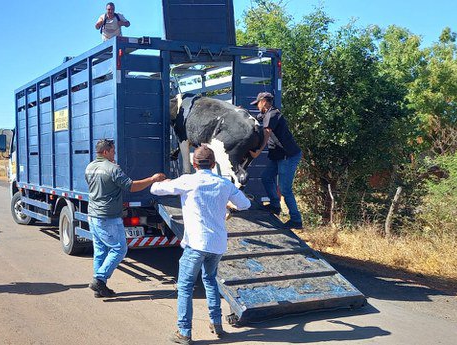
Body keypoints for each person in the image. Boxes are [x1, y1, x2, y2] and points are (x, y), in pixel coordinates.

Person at [150, 145, 251, 344]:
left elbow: (155, 189)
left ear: (194, 164)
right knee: (210, 281)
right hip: (217, 245)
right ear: (214, 164)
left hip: (196, 244)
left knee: (186, 286)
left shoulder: (188, 181)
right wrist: (228, 204)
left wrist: (163, 180)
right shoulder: (224, 183)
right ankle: (216, 324)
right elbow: (245, 204)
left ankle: (184, 332)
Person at [85, 139, 165, 298]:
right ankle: (99, 279)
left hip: (93, 214)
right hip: (108, 217)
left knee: (101, 251)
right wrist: (153, 179)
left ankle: (100, 287)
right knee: (119, 249)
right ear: (106, 151)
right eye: (113, 151)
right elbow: (132, 186)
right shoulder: (113, 169)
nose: (114, 153)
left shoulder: (90, 167)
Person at [250, 92, 304, 229]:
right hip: (279, 156)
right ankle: (275, 206)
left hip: (288, 156)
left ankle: (296, 220)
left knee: (285, 189)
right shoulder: (266, 113)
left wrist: (258, 152)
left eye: (257, 104)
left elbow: (267, 133)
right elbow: (256, 117)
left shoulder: (272, 114)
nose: (257, 107)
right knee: (266, 177)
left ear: (264, 101)